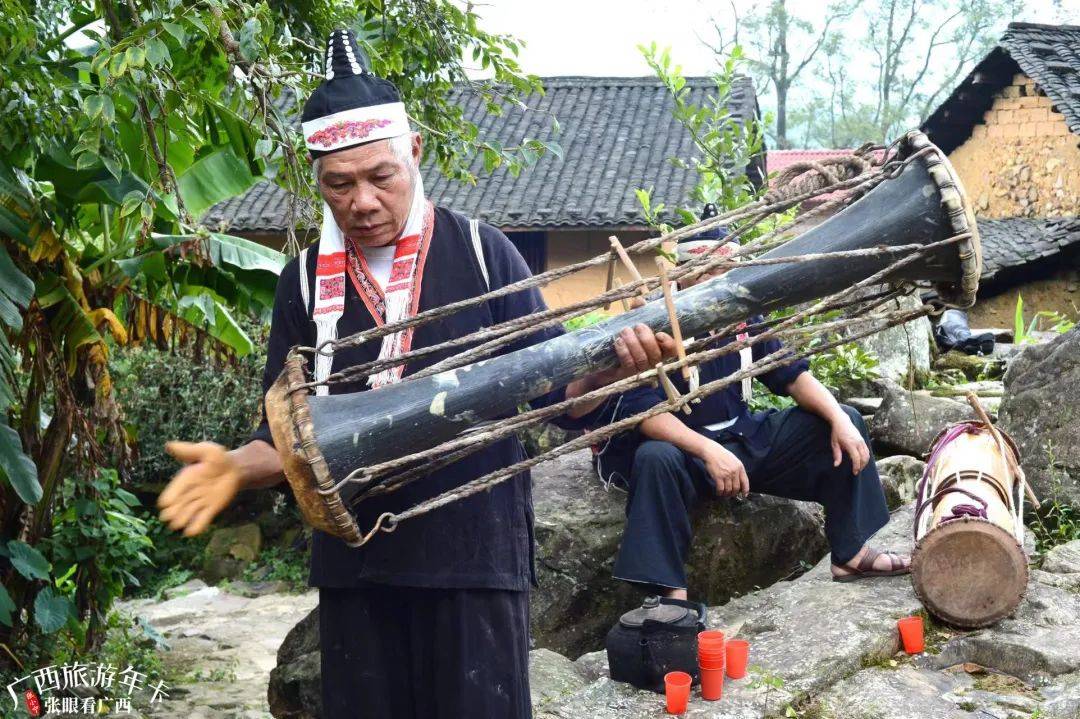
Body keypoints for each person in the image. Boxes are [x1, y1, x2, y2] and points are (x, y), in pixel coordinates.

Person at [156, 30, 674, 719]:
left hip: (473, 557)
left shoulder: (485, 257)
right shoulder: (304, 285)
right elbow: (285, 432)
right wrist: (234, 465)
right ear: (317, 179)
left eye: (381, 176)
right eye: (339, 184)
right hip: (356, 566)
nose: (362, 200)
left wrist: (609, 370)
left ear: (416, 154)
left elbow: (557, 395)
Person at [595, 212, 909, 601]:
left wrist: (836, 418)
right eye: (711, 270)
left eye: (728, 270)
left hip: (739, 439)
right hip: (684, 454)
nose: (721, 280)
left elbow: (791, 374)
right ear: (686, 272)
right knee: (654, 458)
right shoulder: (652, 321)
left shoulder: (741, 316)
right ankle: (669, 593)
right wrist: (708, 451)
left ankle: (851, 551)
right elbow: (642, 411)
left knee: (843, 419)